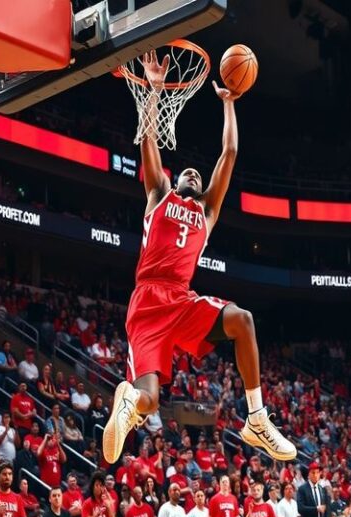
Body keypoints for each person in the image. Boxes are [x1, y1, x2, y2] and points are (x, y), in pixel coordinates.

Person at [102, 49, 295, 465]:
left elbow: (228, 156)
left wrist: (228, 104)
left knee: (242, 319)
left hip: (182, 299)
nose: (192, 173)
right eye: (186, 171)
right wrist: (153, 89)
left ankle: (257, 419)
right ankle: (130, 402)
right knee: (151, 401)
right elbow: (149, 140)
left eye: (197, 174)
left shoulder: (206, 213)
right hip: (149, 300)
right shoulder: (160, 194)